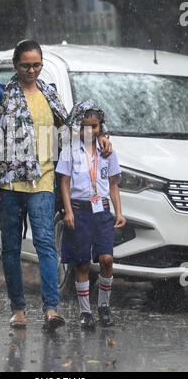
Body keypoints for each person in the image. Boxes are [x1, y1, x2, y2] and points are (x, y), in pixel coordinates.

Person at [0, 40, 112, 330]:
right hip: (9, 185)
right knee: (11, 248)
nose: (31, 70)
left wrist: (101, 137)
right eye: (25, 65)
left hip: (43, 182)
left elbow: (72, 129)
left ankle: (51, 309)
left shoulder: (49, 94)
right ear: (15, 65)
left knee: (46, 245)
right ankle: (18, 309)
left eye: (36, 65)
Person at [56, 101, 126, 329]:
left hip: (102, 211)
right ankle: (86, 312)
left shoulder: (107, 150)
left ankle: (104, 306)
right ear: (78, 127)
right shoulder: (70, 150)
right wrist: (68, 211)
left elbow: (113, 183)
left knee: (107, 259)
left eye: (95, 126)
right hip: (79, 210)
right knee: (82, 263)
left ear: (100, 127)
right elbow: (64, 182)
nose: (90, 131)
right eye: (85, 126)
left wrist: (119, 211)